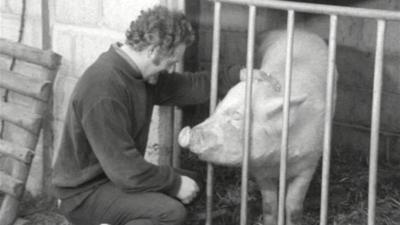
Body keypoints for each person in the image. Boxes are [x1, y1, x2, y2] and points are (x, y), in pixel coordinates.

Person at [51, 5, 243, 225]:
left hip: (112, 176)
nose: (171, 70)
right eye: (171, 62)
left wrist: (238, 75)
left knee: (194, 181)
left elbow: (192, 86)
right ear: (153, 51)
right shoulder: (103, 89)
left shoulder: (141, 76)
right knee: (169, 213)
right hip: (84, 193)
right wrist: (174, 184)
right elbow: (125, 171)